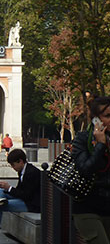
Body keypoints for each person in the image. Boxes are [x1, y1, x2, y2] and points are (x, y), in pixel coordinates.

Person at [0, 149, 41, 244]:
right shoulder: (22, 170)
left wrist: (9, 188)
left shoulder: (32, 172)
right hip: (25, 199)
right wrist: (6, 189)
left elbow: (26, 195)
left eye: (13, 165)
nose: (12, 167)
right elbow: (20, 190)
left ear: (20, 161)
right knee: (1, 192)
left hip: (31, 204)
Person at [71, 95, 110, 244]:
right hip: (88, 208)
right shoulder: (83, 139)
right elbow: (84, 169)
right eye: (107, 116)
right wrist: (100, 145)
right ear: (96, 119)